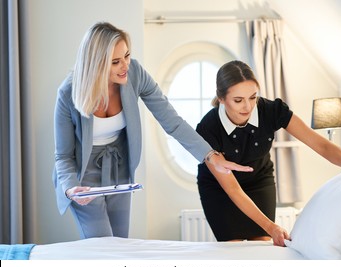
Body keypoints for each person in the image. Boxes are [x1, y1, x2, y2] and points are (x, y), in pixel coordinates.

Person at [52, 22, 253, 239]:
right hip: (84, 174)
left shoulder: (135, 74)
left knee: (119, 241)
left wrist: (210, 156)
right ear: (96, 64)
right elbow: (63, 156)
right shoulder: (68, 92)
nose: (125, 66)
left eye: (127, 56)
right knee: (102, 244)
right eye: (116, 62)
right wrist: (71, 188)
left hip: (119, 167)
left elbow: (172, 121)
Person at [196, 60, 341, 247]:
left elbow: (319, 144)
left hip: (259, 180)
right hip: (220, 190)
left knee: (262, 244)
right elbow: (233, 189)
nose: (248, 106)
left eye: (253, 97)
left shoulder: (271, 110)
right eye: (238, 100)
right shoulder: (208, 128)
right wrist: (272, 227)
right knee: (234, 246)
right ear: (221, 98)